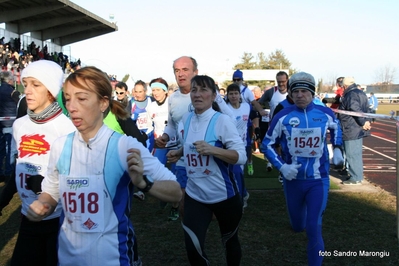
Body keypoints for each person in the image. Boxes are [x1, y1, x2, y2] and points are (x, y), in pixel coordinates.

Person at [26, 66, 182, 266]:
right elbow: (51, 192)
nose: (71, 107)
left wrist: (144, 184)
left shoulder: (124, 146)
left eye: (81, 99)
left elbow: (176, 192)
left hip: (114, 258)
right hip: (67, 258)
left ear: (103, 103)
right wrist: (43, 205)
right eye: (67, 99)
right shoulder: (60, 146)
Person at [262, 72, 342, 266]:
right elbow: (267, 144)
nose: (299, 95)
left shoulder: (325, 113)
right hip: (293, 180)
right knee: (298, 225)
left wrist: (338, 148)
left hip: (318, 180)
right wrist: (282, 167)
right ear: (290, 93)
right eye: (295, 91)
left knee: (313, 227)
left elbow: (337, 128)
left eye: (304, 91)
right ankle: (301, 216)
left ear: (312, 93)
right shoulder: (282, 116)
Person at [167, 75, 246, 266]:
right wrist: (179, 152)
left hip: (225, 196)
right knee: (193, 246)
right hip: (195, 196)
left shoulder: (222, 121)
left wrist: (214, 150)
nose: (197, 94)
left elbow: (241, 156)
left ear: (213, 96)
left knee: (230, 242)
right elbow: (191, 146)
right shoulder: (185, 119)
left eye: (203, 90)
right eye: (194, 90)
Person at [7, 60, 76, 265]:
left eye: (36, 85)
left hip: (59, 220)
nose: (27, 90)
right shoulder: (19, 125)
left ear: (51, 91)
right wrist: (5, 196)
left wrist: (46, 186)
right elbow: (19, 165)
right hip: (28, 216)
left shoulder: (67, 127)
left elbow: (78, 177)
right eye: (26, 83)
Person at [226, 83, 259, 208]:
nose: (234, 96)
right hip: (228, 146)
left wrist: (256, 128)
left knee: (238, 172)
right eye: (231, 94)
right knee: (233, 172)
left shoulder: (246, 106)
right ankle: (240, 196)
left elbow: (255, 116)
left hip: (244, 145)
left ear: (240, 95)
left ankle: (241, 196)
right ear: (227, 96)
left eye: (236, 93)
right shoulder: (225, 108)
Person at [338, 77, 371, 185]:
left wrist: (363, 122)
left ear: (345, 86)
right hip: (357, 128)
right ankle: (358, 176)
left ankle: (355, 177)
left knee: (351, 153)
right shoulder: (361, 93)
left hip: (351, 127)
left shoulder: (350, 95)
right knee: (356, 153)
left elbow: (355, 109)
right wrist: (367, 121)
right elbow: (367, 109)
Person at [231, 70, 263, 176]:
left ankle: (249, 163)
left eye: (238, 79)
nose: (236, 81)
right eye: (234, 79)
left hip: (246, 121)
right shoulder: (230, 91)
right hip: (233, 121)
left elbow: (254, 103)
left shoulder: (246, 91)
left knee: (247, 145)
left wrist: (262, 112)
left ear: (242, 80)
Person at [258, 71, 289, 173]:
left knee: (286, 147)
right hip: (274, 124)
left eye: (283, 81)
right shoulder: (271, 92)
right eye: (279, 81)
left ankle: (283, 168)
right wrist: (261, 110)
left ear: (287, 80)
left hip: (289, 124)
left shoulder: (293, 92)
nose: (281, 84)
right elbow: (258, 103)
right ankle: (273, 163)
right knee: (272, 145)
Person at [0, 70, 20, 182]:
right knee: (10, 150)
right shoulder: (13, 92)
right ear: (9, 80)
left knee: (1, 149)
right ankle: (8, 173)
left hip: (1, 123)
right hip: (10, 123)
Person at [131, 80, 154, 152]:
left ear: (145, 91)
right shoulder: (130, 103)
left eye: (140, 92)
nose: (137, 94)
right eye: (136, 91)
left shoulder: (152, 101)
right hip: (137, 138)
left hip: (151, 137)